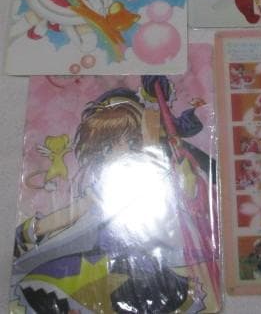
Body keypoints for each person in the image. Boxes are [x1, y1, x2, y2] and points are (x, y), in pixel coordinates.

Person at [12, 77, 217, 313]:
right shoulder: (104, 186)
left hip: (146, 267)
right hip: (103, 264)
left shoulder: (159, 176)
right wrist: (33, 230)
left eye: (132, 142)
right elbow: (72, 214)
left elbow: (189, 205)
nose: (122, 151)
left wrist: (187, 180)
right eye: (109, 146)